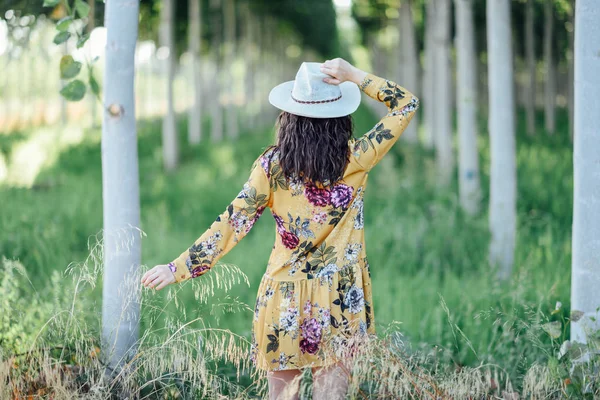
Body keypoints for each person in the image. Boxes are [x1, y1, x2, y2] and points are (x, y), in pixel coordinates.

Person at [141, 58, 419, 400]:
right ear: (340, 117)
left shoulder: (272, 167)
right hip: (340, 297)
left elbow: (233, 221)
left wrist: (178, 268)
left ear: (290, 116)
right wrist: (355, 76)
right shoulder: (358, 157)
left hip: (283, 297)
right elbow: (407, 103)